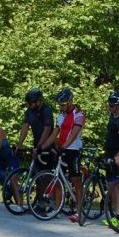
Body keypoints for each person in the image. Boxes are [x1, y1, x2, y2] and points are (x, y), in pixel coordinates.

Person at [40, 88, 85, 223]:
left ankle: (79, 212)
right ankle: (57, 209)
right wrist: (42, 147)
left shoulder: (79, 114)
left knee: (76, 181)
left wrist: (64, 147)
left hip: (74, 150)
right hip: (62, 149)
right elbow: (54, 133)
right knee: (58, 179)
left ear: (70, 101)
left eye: (63, 104)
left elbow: (74, 134)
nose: (61, 107)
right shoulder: (60, 116)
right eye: (59, 104)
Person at [102, 91, 119, 227]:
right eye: (109, 104)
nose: (109, 107)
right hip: (109, 152)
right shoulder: (112, 117)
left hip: (118, 155)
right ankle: (113, 214)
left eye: (112, 105)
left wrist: (118, 155)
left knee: (117, 185)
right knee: (110, 185)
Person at [15, 88, 54, 171]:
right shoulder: (29, 111)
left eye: (30, 103)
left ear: (38, 101)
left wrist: (39, 146)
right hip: (37, 146)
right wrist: (19, 144)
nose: (28, 105)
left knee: (46, 174)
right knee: (35, 174)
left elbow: (47, 129)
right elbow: (25, 127)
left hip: (47, 147)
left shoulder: (46, 110)